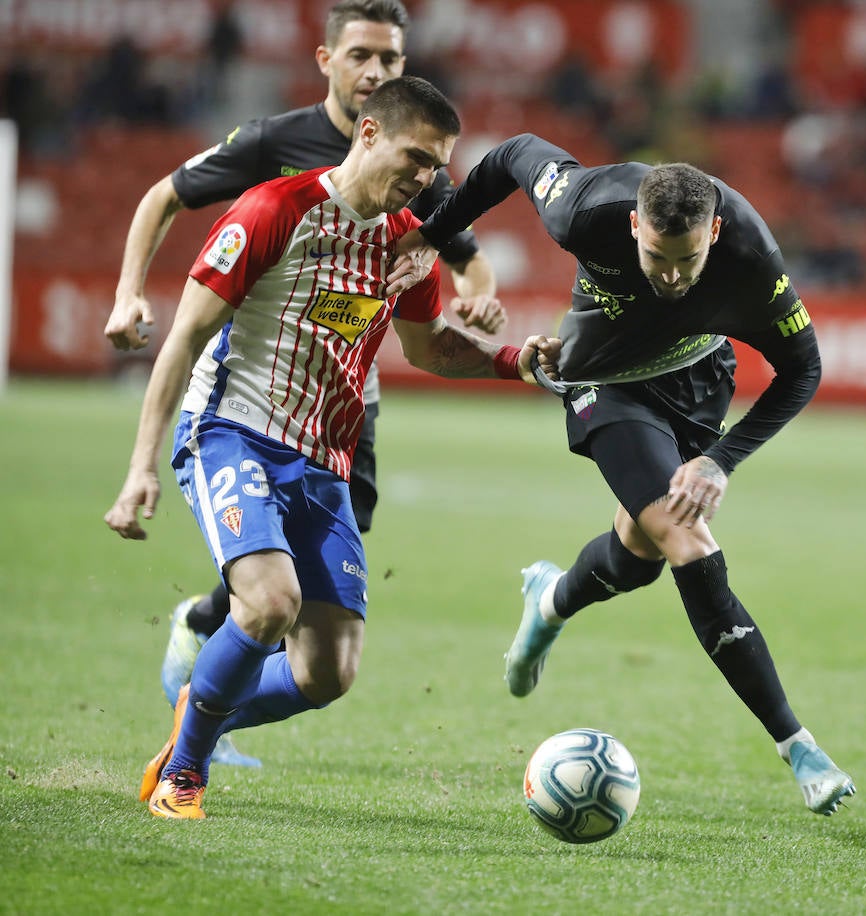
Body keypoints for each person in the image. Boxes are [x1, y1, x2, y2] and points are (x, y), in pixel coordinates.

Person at [104, 77, 553, 820]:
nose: (424, 178)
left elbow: (431, 348)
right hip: (230, 430)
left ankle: (203, 708)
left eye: (436, 166)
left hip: (321, 462)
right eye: (414, 157)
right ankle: (185, 773)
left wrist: (514, 363)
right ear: (368, 133)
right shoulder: (276, 209)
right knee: (269, 604)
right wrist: (138, 469)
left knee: (328, 673)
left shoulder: (406, 242)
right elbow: (183, 339)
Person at [394, 132, 857, 816]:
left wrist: (719, 459)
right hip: (603, 381)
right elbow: (512, 152)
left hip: (699, 378)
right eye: (657, 258)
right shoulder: (583, 208)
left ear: (716, 231)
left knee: (638, 556)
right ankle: (799, 748)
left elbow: (804, 370)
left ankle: (550, 599)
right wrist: (435, 235)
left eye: (689, 260)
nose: (670, 277)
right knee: (685, 541)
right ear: (634, 225)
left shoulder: (753, 258)